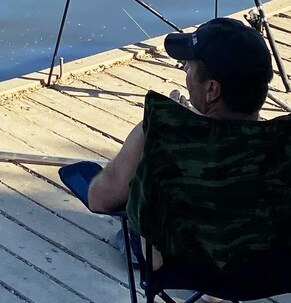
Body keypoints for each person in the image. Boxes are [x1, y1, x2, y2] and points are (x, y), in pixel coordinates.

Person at [85, 18, 272, 214]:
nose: (185, 69)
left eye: (189, 66)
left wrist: (156, 123)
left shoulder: (177, 150)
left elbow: (99, 199)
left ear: (212, 90)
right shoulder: (286, 146)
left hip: (179, 243)